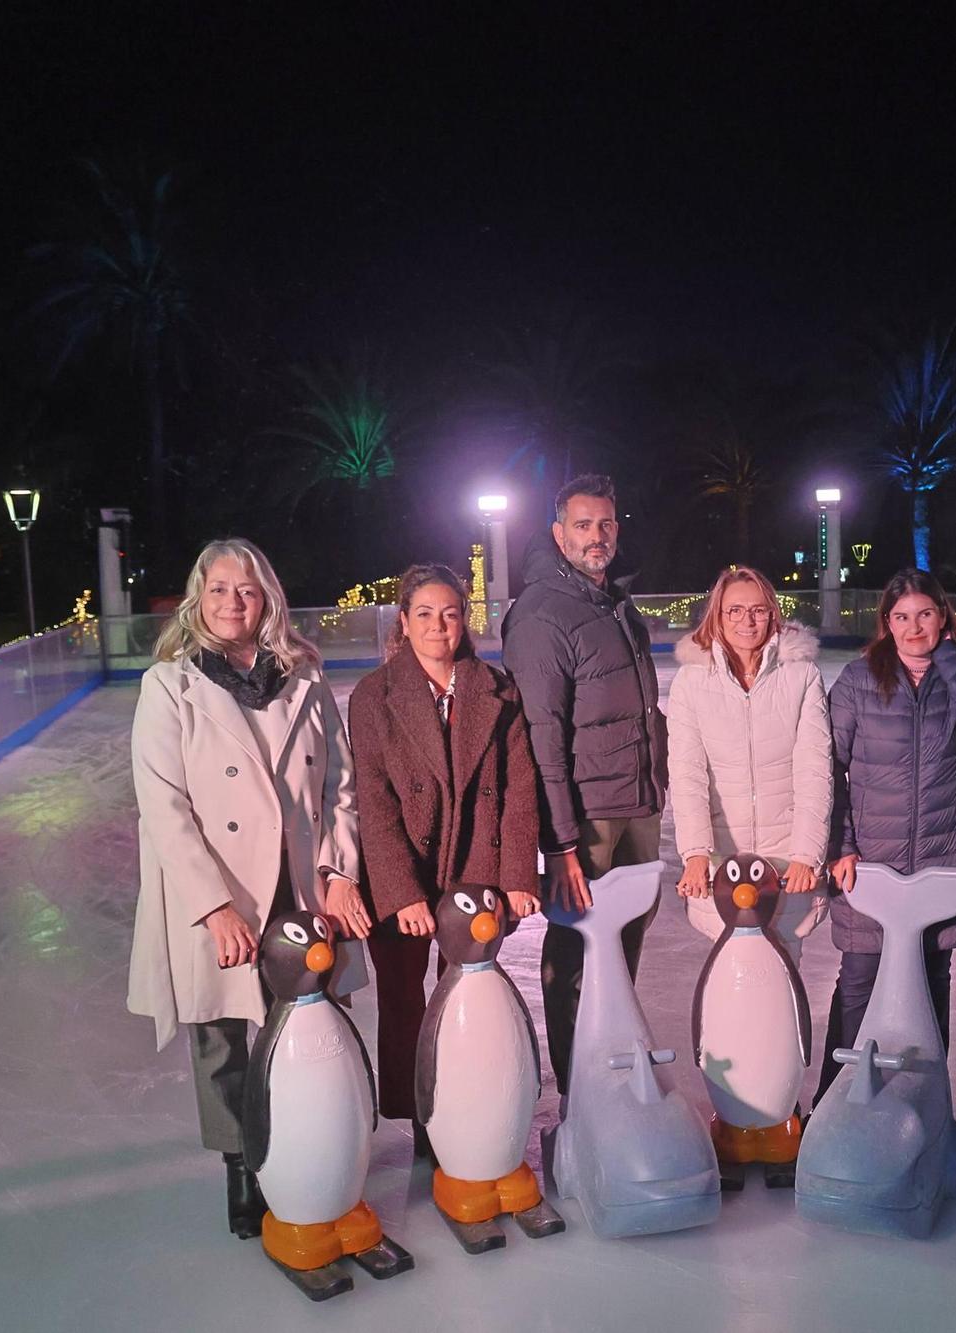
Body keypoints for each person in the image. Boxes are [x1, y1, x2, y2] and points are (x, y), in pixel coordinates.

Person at [127, 537, 370, 1239]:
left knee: (314, 1021)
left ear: (267, 600)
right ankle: (241, 1162)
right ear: (197, 598)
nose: (233, 602)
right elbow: (164, 807)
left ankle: (313, 1141)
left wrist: (337, 872)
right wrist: (213, 907)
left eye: (247, 590)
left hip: (300, 885)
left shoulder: (303, 678)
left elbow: (340, 787)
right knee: (224, 1035)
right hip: (224, 891)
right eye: (219, 589)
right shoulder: (169, 686)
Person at [346, 564, 543, 1153]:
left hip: (475, 863)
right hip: (403, 865)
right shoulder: (374, 696)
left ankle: (466, 1101)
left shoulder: (497, 690)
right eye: (425, 614)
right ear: (404, 623)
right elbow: (373, 801)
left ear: (464, 621)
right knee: (403, 999)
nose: (438, 626)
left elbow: (519, 788)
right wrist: (401, 893)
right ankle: (421, 1118)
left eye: (450, 614)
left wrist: (516, 877)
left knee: (464, 993)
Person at [500, 473, 668, 1094]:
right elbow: (542, 735)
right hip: (588, 816)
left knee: (628, 934)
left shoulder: (614, 603)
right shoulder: (541, 613)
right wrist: (561, 843)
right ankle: (580, 1084)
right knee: (576, 947)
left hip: (638, 801)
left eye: (605, 524)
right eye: (582, 525)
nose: (597, 536)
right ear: (557, 533)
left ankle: (615, 1058)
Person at [819, 568, 956, 1103]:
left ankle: (923, 1103)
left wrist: (949, 657)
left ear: (943, 616)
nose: (914, 626)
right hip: (871, 859)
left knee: (930, 979)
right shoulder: (859, 680)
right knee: (859, 978)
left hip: (941, 855)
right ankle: (832, 1104)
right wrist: (842, 845)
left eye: (925, 614)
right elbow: (830, 766)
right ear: (887, 622)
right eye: (901, 617)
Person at [668, 565, 832, 957]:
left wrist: (806, 855)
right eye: (735, 611)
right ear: (718, 615)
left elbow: (815, 771)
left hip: (786, 860)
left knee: (783, 973)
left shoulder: (802, 675)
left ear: (772, 614)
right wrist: (695, 854)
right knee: (731, 974)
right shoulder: (691, 682)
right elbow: (688, 775)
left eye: (758, 610)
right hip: (723, 862)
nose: (747, 621)